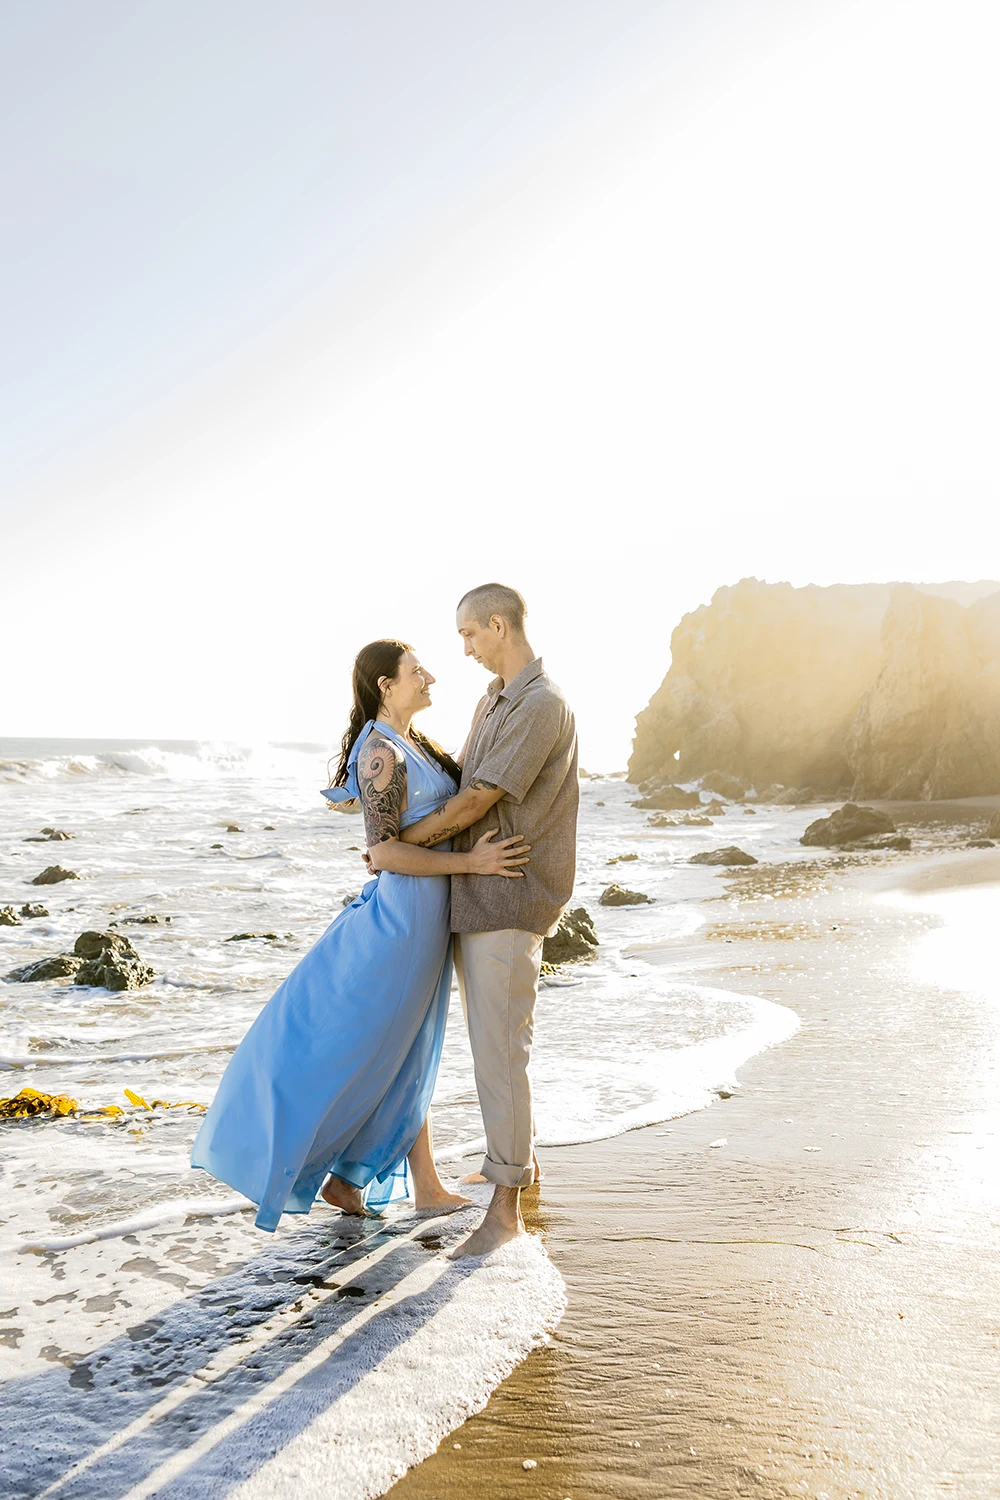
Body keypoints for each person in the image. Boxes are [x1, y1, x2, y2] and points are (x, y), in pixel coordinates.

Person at [191, 639, 530, 1231]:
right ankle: (331, 1170)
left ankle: (360, 1183)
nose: (430, 677)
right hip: (400, 925)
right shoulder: (380, 752)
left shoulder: (412, 743)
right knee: (371, 1050)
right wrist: (472, 865)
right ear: (385, 685)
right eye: (416, 670)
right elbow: (387, 851)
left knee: (410, 1052)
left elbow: (415, 831)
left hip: (424, 919)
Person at [377, 583, 579, 1257]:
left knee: (500, 1056)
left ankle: (504, 1213)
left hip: (510, 896)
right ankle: (521, 1169)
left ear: (499, 624)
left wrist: (403, 852)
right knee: (496, 1050)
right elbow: (463, 782)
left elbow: (477, 802)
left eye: (469, 634)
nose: (462, 649)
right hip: (479, 896)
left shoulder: (540, 704)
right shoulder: (495, 697)